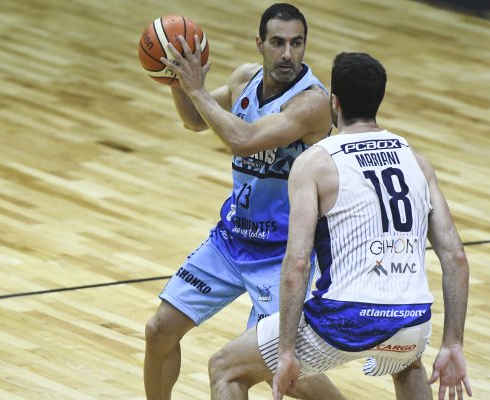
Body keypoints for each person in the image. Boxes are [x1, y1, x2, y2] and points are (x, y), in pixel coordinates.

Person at [207, 52, 472, 400]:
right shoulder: (416, 161)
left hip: (344, 320)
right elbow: (455, 257)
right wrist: (453, 342)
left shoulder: (315, 162)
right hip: (414, 319)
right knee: (405, 361)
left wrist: (286, 351)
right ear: (378, 99)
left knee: (225, 369)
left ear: (335, 103)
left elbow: (298, 264)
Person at [144, 3, 347, 400]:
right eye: (277, 43)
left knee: (277, 368)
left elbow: (242, 139)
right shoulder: (243, 79)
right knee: (159, 330)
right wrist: (177, 81)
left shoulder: (312, 103)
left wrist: (197, 89)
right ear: (260, 44)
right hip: (231, 239)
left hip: (283, 253)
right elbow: (196, 120)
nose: (287, 54)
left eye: (296, 43)